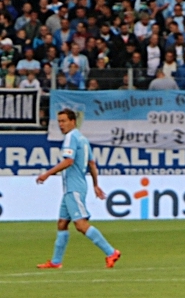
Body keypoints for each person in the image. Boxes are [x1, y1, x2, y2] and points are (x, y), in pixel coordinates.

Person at [35, 109, 121, 270]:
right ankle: (56, 261)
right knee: (62, 223)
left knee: (81, 225)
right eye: (59, 121)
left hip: (74, 188)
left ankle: (111, 252)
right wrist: (95, 184)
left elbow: (68, 161)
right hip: (74, 187)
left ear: (73, 121)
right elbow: (92, 164)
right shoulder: (83, 139)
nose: (61, 124)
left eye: (64, 121)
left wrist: (47, 174)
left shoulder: (71, 137)